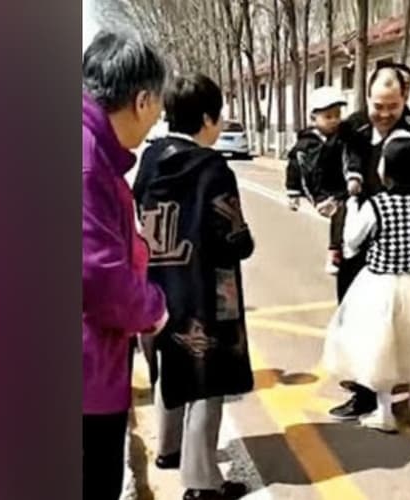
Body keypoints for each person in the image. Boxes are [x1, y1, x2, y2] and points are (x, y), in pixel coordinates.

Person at [133, 73, 254, 500]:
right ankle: (201, 482)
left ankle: (169, 450)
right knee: (208, 379)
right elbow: (234, 236)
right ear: (207, 118)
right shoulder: (212, 168)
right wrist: (244, 241)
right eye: (218, 118)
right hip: (205, 290)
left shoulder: (149, 161)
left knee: (169, 367)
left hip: (158, 287)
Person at [329, 66, 410, 421]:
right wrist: (343, 190)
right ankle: (366, 387)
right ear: (366, 97)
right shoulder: (353, 128)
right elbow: (329, 166)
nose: (384, 113)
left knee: (402, 322)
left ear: (405, 99)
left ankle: (378, 393)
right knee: (357, 317)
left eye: (392, 106)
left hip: (394, 236)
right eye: (378, 105)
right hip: (358, 231)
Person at [82, 31, 170, 500]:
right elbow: (96, 276)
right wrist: (153, 308)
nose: (156, 120)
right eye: (157, 107)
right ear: (141, 100)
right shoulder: (87, 160)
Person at [285, 86, 348, 274]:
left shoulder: (343, 137)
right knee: (340, 211)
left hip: (341, 187)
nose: (334, 120)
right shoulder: (305, 144)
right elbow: (294, 167)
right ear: (314, 119)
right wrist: (293, 193)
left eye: (337, 115)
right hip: (319, 191)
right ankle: (334, 253)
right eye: (328, 116)